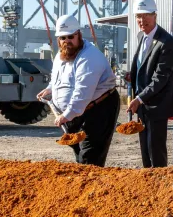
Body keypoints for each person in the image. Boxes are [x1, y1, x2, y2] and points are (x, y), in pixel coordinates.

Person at [37, 15, 119, 167]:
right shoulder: (61, 56)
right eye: (62, 38)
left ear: (79, 35)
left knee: (90, 158)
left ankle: (93, 187)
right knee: (79, 155)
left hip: (98, 109)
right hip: (75, 114)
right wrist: (49, 89)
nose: (67, 41)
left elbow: (82, 93)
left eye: (70, 37)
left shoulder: (89, 57)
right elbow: (58, 79)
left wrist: (66, 116)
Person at [128, 0, 173, 168]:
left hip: (157, 105)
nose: (142, 20)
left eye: (146, 15)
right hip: (143, 106)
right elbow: (143, 68)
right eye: (138, 16)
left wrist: (139, 98)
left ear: (155, 15)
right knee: (145, 153)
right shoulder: (142, 38)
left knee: (156, 152)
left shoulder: (166, 42)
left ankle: (161, 188)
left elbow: (161, 77)